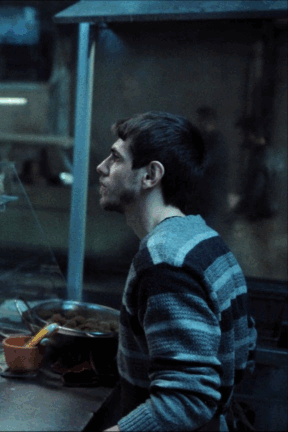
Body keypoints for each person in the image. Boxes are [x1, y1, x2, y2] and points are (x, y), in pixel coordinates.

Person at [95, 112, 257, 431]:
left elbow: (189, 401)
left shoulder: (165, 262)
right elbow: (245, 344)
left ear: (150, 175)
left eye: (115, 158)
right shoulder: (201, 237)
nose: (101, 167)